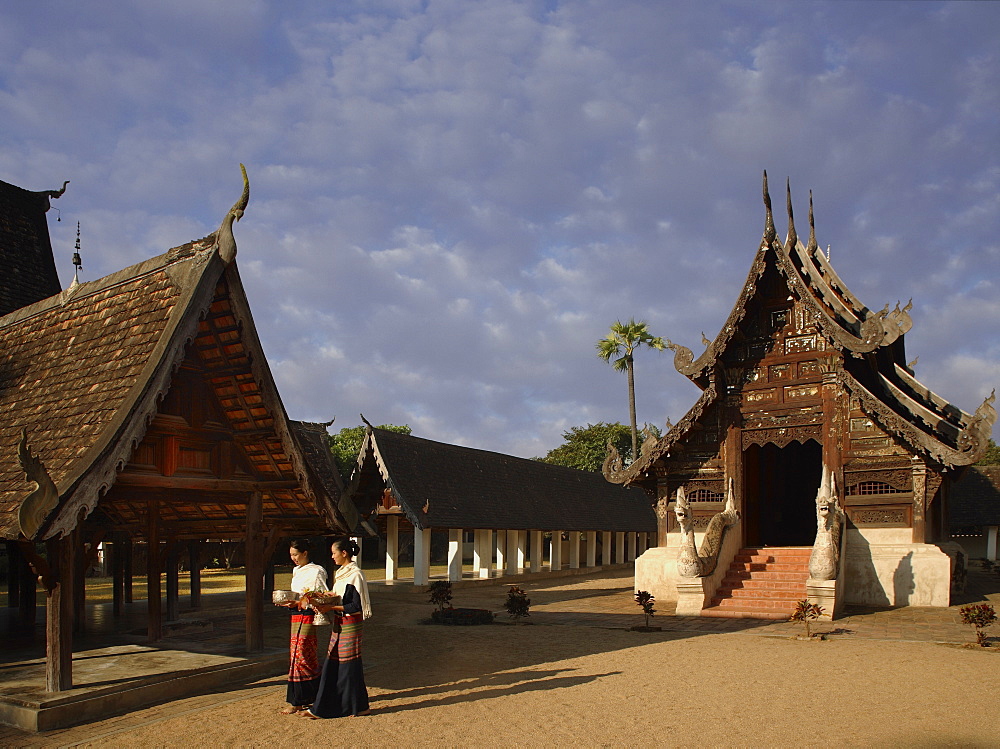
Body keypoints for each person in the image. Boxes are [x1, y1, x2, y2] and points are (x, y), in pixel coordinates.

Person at [301, 537, 372, 719]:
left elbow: (355, 606)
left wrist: (330, 607)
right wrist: (324, 597)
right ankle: (346, 705)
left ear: (344, 553)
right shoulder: (342, 573)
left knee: (348, 666)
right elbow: (341, 597)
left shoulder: (355, 575)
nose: (332, 557)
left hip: (351, 625)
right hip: (339, 624)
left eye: (334, 553)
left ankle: (355, 706)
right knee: (337, 664)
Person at [276, 539, 328, 715]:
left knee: (303, 653)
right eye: (291, 555)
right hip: (295, 614)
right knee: (295, 655)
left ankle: (304, 698)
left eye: (296, 555)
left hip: (307, 615)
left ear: (305, 553)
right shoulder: (296, 571)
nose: (293, 558)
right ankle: (300, 698)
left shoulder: (317, 571)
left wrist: (299, 601)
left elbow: (320, 596)